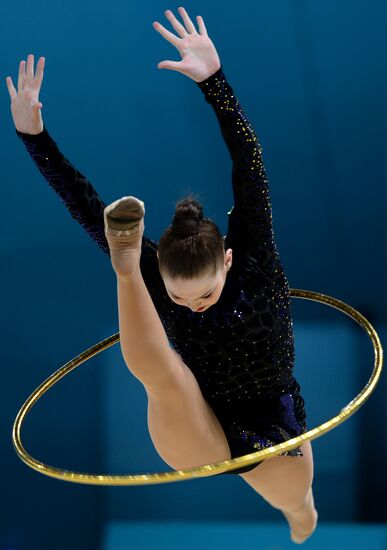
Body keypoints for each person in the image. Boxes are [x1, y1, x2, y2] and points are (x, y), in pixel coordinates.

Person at [6, 7, 317, 543]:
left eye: (205, 294)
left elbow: (249, 160)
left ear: (228, 261)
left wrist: (214, 81)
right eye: (179, 294)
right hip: (194, 419)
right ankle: (124, 269)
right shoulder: (163, 270)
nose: (193, 305)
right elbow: (85, 204)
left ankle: (301, 519)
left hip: (273, 426)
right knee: (165, 377)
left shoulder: (256, 257)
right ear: (166, 273)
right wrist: (33, 135)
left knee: (300, 506)